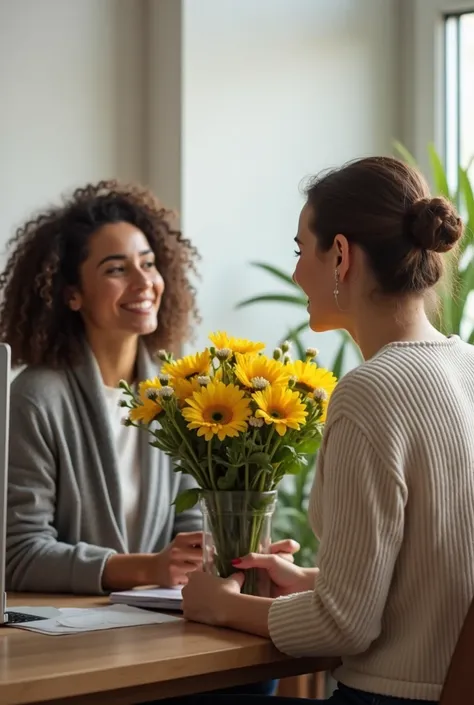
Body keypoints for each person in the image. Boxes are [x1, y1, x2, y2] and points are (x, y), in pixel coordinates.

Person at [180, 156, 474, 704]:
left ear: (340, 255)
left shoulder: (372, 389)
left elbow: (345, 628)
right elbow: (435, 580)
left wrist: (218, 604)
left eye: (299, 250)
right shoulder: (468, 367)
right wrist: (314, 581)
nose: (295, 273)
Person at [0, 180, 287, 698]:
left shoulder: (178, 399)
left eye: (149, 263)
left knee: (256, 680)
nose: (143, 281)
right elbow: (19, 552)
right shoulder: (35, 397)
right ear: (71, 292)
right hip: (67, 646)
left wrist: (233, 552)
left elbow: (190, 523)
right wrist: (148, 568)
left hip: (161, 630)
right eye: (116, 268)